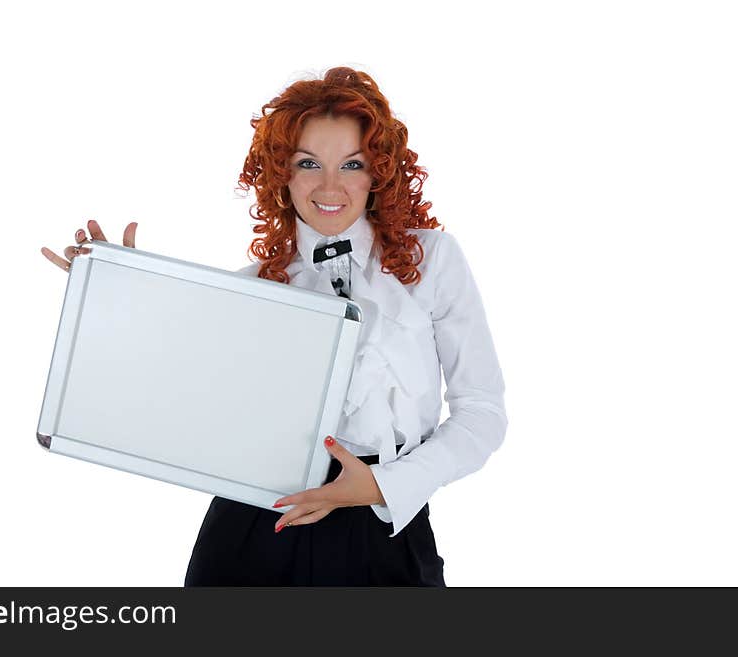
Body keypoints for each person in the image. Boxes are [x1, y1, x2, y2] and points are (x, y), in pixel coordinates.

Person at [40, 66, 507, 587]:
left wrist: (380, 485)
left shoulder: (433, 261)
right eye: (309, 163)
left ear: (379, 171)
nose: (331, 186)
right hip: (258, 525)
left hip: (388, 525)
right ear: (281, 172)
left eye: (351, 164)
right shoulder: (250, 288)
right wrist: (124, 294)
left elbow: (482, 415)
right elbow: (165, 399)